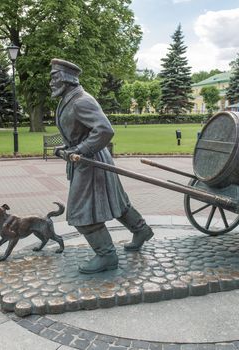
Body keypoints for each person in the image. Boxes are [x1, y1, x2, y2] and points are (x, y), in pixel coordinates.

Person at [49, 58, 154, 274]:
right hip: (91, 159)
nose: (51, 82)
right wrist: (67, 147)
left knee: (80, 213)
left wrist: (79, 150)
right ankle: (141, 230)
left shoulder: (81, 100)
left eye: (54, 77)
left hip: (91, 162)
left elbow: (104, 130)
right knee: (115, 200)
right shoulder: (68, 99)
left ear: (67, 79)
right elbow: (83, 132)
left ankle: (106, 256)